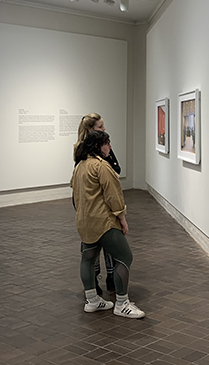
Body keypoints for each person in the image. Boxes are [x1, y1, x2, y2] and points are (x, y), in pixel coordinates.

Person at [71, 131, 145, 318]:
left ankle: (93, 301)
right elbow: (113, 195)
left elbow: (74, 196)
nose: (110, 147)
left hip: (85, 222)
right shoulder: (101, 167)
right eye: (107, 143)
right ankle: (122, 303)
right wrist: (122, 218)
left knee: (88, 259)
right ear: (98, 146)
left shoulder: (80, 166)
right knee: (124, 257)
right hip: (104, 222)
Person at [74, 113, 119, 296]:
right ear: (91, 130)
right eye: (101, 127)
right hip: (93, 203)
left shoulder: (96, 150)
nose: (105, 129)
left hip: (93, 202)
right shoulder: (84, 152)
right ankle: (94, 284)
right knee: (92, 245)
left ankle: (108, 279)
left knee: (101, 244)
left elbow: (117, 168)